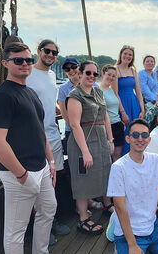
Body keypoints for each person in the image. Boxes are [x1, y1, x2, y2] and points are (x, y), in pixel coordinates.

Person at [0, 42, 57, 253]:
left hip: (41, 168)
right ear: (6, 63)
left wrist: (50, 161)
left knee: (48, 210)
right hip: (19, 173)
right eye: (18, 60)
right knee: (16, 231)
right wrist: (22, 175)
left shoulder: (30, 92)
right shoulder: (2, 97)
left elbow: (39, 129)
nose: (25, 64)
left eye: (27, 60)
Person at [107, 119, 158, 254]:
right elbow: (119, 206)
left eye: (144, 135)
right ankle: (114, 227)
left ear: (149, 139)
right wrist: (132, 245)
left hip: (152, 228)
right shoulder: (118, 167)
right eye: (135, 135)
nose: (140, 139)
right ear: (128, 139)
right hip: (128, 234)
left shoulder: (156, 160)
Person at [26, 39, 69, 239]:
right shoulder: (28, 74)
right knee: (36, 184)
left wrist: (57, 109)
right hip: (34, 137)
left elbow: (47, 101)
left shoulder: (52, 75)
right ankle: (40, 228)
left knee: (54, 180)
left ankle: (52, 221)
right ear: (39, 51)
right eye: (47, 51)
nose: (51, 55)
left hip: (53, 134)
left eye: (54, 52)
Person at [66, 60, 115, 235]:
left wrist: (111, 139)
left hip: (101, 140)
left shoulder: (98, 92)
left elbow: (106, 116)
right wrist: (85, 151)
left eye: (95, 74)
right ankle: (83, 219)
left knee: (105, 172)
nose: (92, 77)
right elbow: (75, 125)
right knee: (82, 179)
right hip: (83, 143)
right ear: (80, 73)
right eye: (88, 73)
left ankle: (107, 204)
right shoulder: (75, 95)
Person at [58, 57, 103, 211]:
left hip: (95, 136)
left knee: (96, 170)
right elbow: (68, 118)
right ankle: (82, 209)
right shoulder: (67, 91)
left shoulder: (95, 88)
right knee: (81, 173)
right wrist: (84, 147)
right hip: (76, 135)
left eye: (73, 67)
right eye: (67, 69)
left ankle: (92, 200)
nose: (70, 71)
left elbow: (103, 114)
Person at [112, 45, 145, 156]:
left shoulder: (133, 70)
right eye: (125, 53)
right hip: (122, 104)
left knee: (136, 132)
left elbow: (138, 91)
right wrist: (123, 112)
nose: (127, 56)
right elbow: (115, 93)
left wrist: (142, 109)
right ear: (121, 54)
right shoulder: (116, 69)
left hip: (134, 104)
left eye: (130, 54)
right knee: (125, 132)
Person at [100, 64, 125, 162]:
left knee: (117, 156)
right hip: (107, 127)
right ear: (103, 74)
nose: (111, 77)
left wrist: (120, 122)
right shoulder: (98, 91)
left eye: (114, 76)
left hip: (117, 125)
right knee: (108, 156)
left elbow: (115, 108)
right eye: (109, 74)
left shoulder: (112, 91)